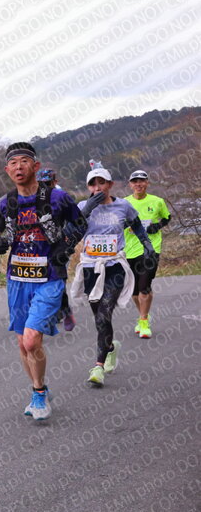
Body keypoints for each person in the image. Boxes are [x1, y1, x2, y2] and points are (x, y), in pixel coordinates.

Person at [0, 142, 84, 421]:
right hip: (17, 278)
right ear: (7, 170)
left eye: (24, 161)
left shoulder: (57, 198)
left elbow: (80, 224)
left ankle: (39, 394)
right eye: (13, 163)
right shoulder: (5, 203)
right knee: (22, 344)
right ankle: (39, 389)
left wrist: (65, 245)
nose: (19, 167)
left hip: (48, 277)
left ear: (36, 166)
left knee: (30, 341)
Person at [70, 164, 155, 386]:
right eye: (92, 184)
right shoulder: (82, 206)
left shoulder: (123, 206)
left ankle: (98, 367)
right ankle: (109, 347)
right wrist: (86, 210)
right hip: (91, 267)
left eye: (101, 183)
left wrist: (147, 245)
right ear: (88, 187)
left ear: (110, 184)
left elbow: (137, 225)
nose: (97, 188)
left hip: (114, 265)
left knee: (104, 312)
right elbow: (71, 233)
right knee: (99, 316)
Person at [123, 170, 170, 338]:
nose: (138, 184)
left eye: (141, 181)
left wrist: (156, 226)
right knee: (134, 292)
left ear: (147, 183)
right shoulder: (124, 203)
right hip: (129, 250)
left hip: (151, 249)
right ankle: (143, 315)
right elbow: (116, 223)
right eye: (135, 181)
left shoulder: (157, 201)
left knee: (144, 287)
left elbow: (167, 217)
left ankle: (144, 322)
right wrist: (125, 225)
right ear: (130, 184)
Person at [38, 168, 76, 331]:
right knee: (40, 282)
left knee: (58, 282)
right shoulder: (31, 199)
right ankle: (48, 314)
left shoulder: (61, 197)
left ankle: (65, 311)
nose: (45, 186)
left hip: (59, 248)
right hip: (38, 248)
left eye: (48, 183)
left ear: (55, 182)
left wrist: (69, 242)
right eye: (41, 183)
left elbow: (76, 222)